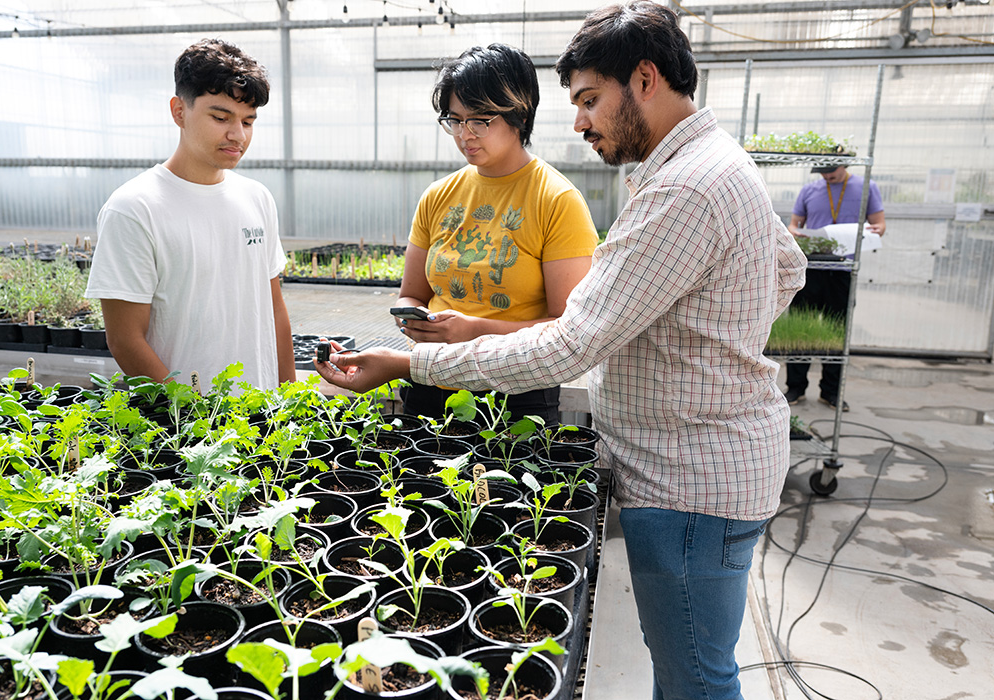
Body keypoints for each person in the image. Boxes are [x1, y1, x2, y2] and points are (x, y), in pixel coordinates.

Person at [315, 3, 806, 698]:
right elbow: (789, 270)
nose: (578, 121)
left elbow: (566, 347)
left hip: (692, 476)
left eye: (588, 100)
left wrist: (408, 362)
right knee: (690, 658)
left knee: (695, 674)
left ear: (644, 78)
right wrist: (712, 337)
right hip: (705, 464)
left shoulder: (685, 187)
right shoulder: (715, 163)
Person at [394, 43, 599, 425]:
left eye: (480, 120)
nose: (464, 134)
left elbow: (568, 328)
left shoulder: (556, 200)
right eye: (454, 120)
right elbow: (412, 293)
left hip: (517, 394)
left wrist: (474, 330)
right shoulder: (438, 196)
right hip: (432, 380)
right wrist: (416, 320)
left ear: (518, 113)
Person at [85, 39, 295, 391]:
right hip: (187, 430)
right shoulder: (135, 208)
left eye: (248, 121)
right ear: (179, 111)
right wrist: (193, 416)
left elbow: (274, 309)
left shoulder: (257, 198)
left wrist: (288, 401)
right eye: (220, 117)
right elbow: (125, 339)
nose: (237, 135)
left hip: (263, 417)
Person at [785, 164, 885, 411]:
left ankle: (831, 392)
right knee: (800, 328)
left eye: (833, 172)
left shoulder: (866, 188)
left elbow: (880, 224)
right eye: (823, 173)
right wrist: (796, 234)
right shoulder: (809, 190)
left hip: (843, 271)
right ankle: (795, 388)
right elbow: (793, 225)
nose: (828, 177)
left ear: (845, 165)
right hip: (811, 269)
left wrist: (877, 231)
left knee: (837, 330)